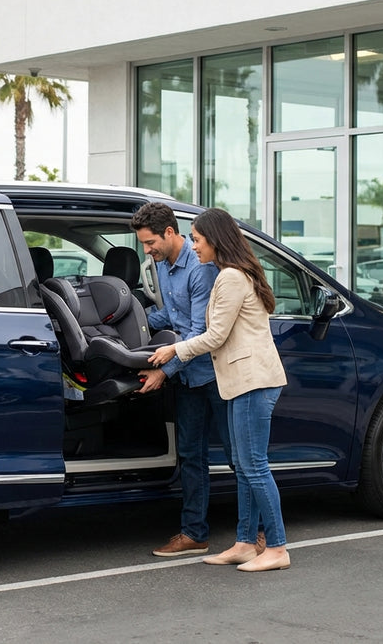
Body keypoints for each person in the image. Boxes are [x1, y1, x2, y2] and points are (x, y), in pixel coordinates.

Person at [148, 207, 291, 572]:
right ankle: (245, 543)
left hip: (252, 381)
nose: (194, 246)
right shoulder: (235, 273)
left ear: (215, 240)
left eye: (197, 239)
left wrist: (174, 351)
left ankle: (276, 547)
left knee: (254, 466)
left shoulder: (229, 278)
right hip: (244, 381)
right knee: (245, 467)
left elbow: (214, 336)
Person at [130, 202, 229, 558]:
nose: (147, 250)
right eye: (144, 244)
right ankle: (194, 534)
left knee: (239, 457)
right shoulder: (163, 265)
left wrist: (164, 371)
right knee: (190, 456)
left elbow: (197, 331)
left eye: (150, 242)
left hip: (215, 377)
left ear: (170, 233)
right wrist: (125, 321)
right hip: (189, 380)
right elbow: (168, 316)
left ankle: (261, 534)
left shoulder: (201, 269)